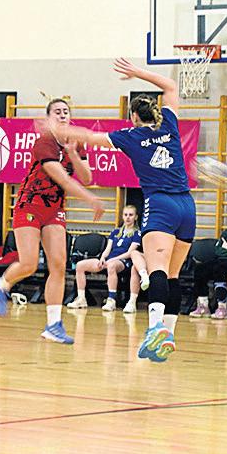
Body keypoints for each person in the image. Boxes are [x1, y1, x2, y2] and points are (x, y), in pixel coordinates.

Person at [49, 58, 194, 362]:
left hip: (161, 205)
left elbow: (89, 137)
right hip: (187, 206)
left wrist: (60, 128)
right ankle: (166, 336)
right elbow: (170, 86)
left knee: (157, 269)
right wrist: (138, 72)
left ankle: (155, 330)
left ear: (133, 117)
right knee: (173, 275)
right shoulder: (169, 123)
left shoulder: (130, 136)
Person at [0, 97, 105, 346]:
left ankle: (53, 325)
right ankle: (1, 285)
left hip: (54, 210)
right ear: (49, 118)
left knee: (59, 265)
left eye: (66, 112)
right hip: (29, 205)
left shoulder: (75, 143)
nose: (62, 115)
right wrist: (90, 199)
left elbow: (87, 177)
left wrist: (73, 154)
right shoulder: (44, 143)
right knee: (29, 263)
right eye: (57, 112)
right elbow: (63, 179)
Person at [68, 205, 144, 313]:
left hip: (124, 261)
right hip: (109, 260)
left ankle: (111, 300)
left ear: (136, 217)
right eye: (125, 215)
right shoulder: (115, 232)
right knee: (80, 265)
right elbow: (108, 249)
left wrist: (112, 260)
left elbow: (130, 253)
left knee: (112, 266)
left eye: (131, 215)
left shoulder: (137, 233)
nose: (127, 217)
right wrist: (103, 258)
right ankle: (81, 299)